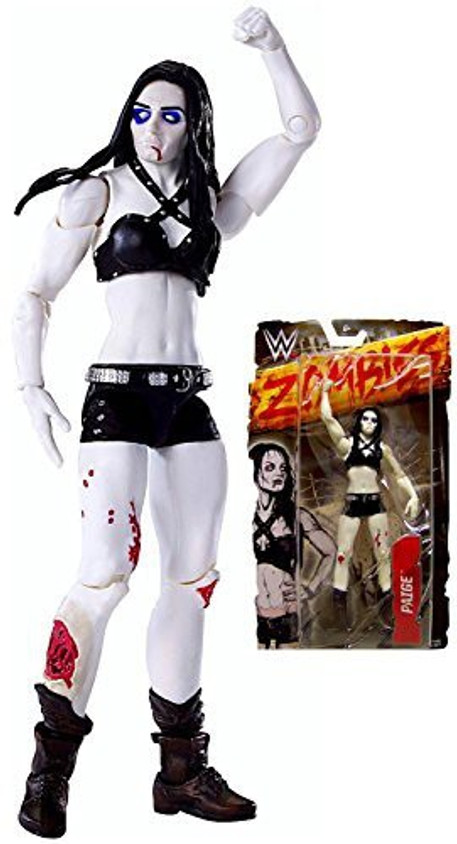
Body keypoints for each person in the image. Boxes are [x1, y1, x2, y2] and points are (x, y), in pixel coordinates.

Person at [13, 7, 321, 836]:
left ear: (193, 124)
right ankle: (50, 769)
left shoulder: (210, 204)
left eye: (173, 115)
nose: (154, 129)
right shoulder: (98, 191)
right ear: (127, 116)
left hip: (187, 399)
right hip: (115, 398)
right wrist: (29, 386)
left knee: (192, 581)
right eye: (144, 112)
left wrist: (273, 48)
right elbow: (35, 291)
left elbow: (299, 131)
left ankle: (180, 771)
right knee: (102, 576)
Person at [320, 380, 420, 629]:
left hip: (375, 503)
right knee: (343, 554)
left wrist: (414, 496)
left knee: (383, 554)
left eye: (374, 420)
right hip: (353, 503)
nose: (369, 423)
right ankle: (339, 610)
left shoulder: (382, 449)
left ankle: (388, 606)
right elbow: (327, 418)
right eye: (365, 419)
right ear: (359, 421)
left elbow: (399, 475)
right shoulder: (347, 445)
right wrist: (324, 391)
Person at [249, 443, 335, 647]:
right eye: (270, 467)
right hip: (256, 614)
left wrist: (311, 588)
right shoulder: (244, 516)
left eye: (283, 468)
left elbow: (331, 552)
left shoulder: (298, 517)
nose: (279, 473)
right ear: (256, 473)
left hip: (288, 612)